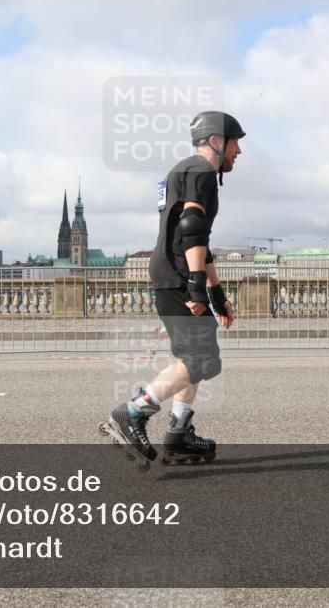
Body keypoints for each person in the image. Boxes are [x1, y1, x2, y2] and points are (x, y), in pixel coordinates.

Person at [100, 111, 244, 467]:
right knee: (200, 359)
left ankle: (179, 433)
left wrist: (216, 293)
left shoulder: (181, 171)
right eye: (235, 142)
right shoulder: (201, 171)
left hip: (173, 271)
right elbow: (191, 228)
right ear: (216, 141)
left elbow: (196, 237)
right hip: (179, 274)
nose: (238, 151)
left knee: (194, 356)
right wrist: (196, 285)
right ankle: (132, 412)